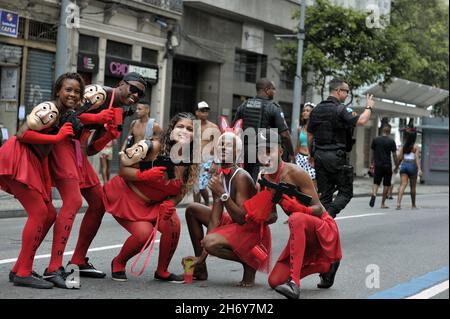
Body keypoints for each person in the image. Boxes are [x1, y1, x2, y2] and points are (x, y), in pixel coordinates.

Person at [47, 72, 146, 282]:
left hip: (78, 152)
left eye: (141, 94)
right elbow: (66, 113)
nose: (136, 95)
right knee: (72, 202)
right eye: (133, 89)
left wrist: (109, 136)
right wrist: (97, 118)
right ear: (121, 84)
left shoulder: (117, 109)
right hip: (61, 144)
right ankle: (53, 267)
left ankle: (78, 260)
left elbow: (91, 149)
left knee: (98, 202)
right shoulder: (98, 94)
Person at [104, 112, 198, 282]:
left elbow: (181, 191)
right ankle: (118, 262)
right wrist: (144, 175)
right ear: (171, 129)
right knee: (144, 234)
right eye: (180, 126)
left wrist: (171, 203)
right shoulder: (153, 147)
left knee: (173, 223)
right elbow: (123, 171)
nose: (184, 131)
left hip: (154, 205)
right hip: (127, 197)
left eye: (190, 129)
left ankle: (162, 270)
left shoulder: (189, 160)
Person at [0, 80, 75, 288]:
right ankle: (23, 272)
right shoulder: (49, 108)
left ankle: (19, 268)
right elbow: (23, 134)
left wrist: (46, 189)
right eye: (68, 89)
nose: (73, 94)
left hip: (33, 162)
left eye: (78, 91)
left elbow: (45, 155)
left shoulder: (64, 116)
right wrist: (58, 136)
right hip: (19, 156)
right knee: (39, 213)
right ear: (58, 91)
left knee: (49, 212)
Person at [184, 118, 275, 287]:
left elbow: (242, 218)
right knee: (192, 210)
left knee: (211, 243)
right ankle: (200, 268)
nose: (223, 148)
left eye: (229, 146)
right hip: (236, 223)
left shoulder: (240, 176)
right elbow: (215, 219)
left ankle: (250, 262)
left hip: (251, 231)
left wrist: (222, 194)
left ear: (237, 153)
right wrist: (201, 258)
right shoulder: (220, 175)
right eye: (220, 145)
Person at [257, 131, 342, 299]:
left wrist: (300, 208)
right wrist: (257, 209)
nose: (265, 156)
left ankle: (294, 284)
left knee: (295, 218)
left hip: (322, 229)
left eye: (269, 150)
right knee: (274, 281)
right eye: (260, 152)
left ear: (280, 152)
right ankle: (326, 266)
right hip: (300, 233)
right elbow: (272, 216)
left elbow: (319, 208)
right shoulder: (265, 178)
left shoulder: (295, 173)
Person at [307, 78, 375, 218]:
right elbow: (362, 121)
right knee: (346, 192)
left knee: (325, 196)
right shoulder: (340, 109)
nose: (347, 95)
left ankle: (322, 229)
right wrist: (368, 107)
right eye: (346, 92)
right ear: (338, 91)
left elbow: (309, 135)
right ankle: (329, 216)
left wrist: (312, 155)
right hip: (335, 157)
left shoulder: (316, 110)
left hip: (319, 156)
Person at [232, 78, 295, 181]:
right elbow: (285, 135)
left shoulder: (243, 105)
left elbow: (234, 129)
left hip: (245, 151)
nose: (274, 92)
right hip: (263, 152)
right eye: (273, 89)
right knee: (260, 182)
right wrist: (292, 153)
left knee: (246, 181)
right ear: (266, 90)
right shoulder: (273, 107)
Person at [193, 101, 219, 206]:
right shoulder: (192, 126)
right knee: (195, 188)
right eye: (202, 111)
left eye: (206, 111)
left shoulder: (213, 127)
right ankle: (196, 209)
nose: (205, 113)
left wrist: (215, 162)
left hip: (207, 161)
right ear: (196, 112)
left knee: (201, 187)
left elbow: (218, 146)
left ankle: (207, 203)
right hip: (194, 160)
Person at [369, 124, 398, 208]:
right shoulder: (391, 141)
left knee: (376, 182)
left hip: (378, 165)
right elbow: (394, 155)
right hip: (387, 165)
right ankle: (382, 204)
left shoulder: (376, 140)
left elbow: (372, 153)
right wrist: (396, 166)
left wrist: (372, 163)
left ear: (382, 130)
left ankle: (374, 194)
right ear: (389, 131)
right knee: (386, 184)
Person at [395, 128, 422, 210]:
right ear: (414, 138)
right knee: (413, 187)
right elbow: (417, 158)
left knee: (402, 185)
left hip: (404, 165)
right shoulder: (415, 147)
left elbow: (400, 158)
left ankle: (398, 204)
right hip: (412, 165)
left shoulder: (403, 147)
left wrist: (396, 167)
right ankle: (413, 205)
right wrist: (419, 169)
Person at [295, 102, 317, 189]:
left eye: (307, 111)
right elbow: (298, 145)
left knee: (313, 186)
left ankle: (315, 202)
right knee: (299, 185)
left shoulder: (315, 129)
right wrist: (293, 157)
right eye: (304, 110)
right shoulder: (300, 129)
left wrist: (314, 157)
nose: (304, 112)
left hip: (310, 159)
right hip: (300, 158)